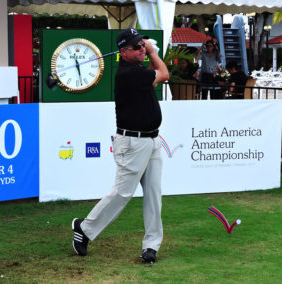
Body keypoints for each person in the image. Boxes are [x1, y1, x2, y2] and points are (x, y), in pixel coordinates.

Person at [71, 28, 169, 264]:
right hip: (133, 142)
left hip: (152, 140)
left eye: (142, 45)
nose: (142, 49)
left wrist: (147, 49)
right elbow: (164, 73)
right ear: (123, 52)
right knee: (123, 193)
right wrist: (154, 51)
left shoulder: (136, 69)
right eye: (137, 47)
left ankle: (151, 245)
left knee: (154, 195)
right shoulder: (127, 73)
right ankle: (84, 229)